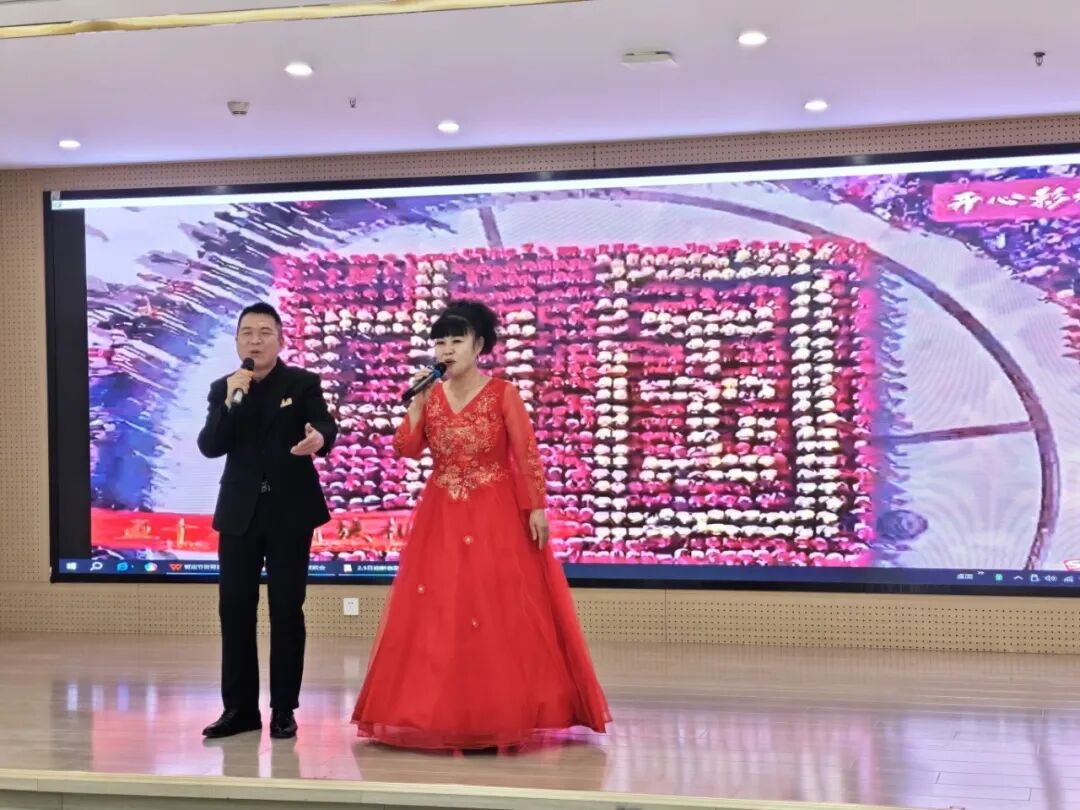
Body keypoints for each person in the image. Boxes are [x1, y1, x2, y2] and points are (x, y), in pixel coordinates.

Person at [351, 300, 610, 750]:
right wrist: (416, 405)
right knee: (440, 610)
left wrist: (536, 507)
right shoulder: (431, 394)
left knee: (494, 608)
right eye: (440, 342)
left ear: (479, 346)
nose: (447, 350)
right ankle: (438, 710)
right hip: (442, 514)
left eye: (457, 341)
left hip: (495, 512)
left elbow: (525, 453)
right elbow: (406, 449)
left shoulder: (502, 393)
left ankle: (498, 711)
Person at [197, 302, 337, 740]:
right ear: (237, 340)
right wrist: (228, 404)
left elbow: (324, 425)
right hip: (239, 514)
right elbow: (210, 446)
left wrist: (319, 438)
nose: (255, 341)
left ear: (280, 339)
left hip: (289, 514)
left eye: (264, 332)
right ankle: (239, 709)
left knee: (286, 609)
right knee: (235, 608)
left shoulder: (301, 382)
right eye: (247, 333)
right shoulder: (225, 387)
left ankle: (283, 709)